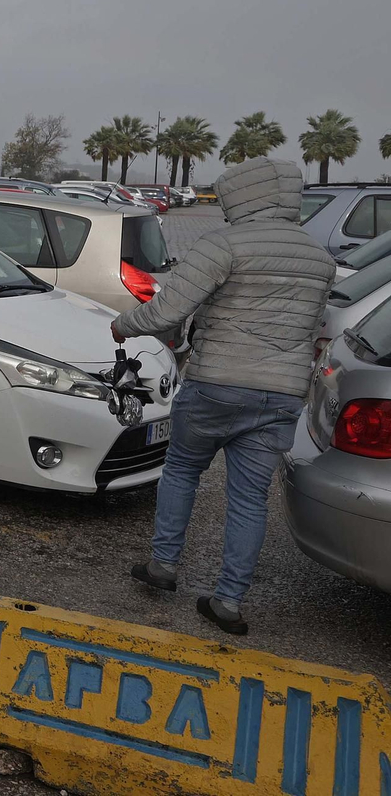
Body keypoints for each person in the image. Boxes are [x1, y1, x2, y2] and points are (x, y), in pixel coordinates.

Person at [110, 157, 334, 635]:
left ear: (242, 196)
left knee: (183, 468)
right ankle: (228, 602)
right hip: (280, 395)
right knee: (250, 499)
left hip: (216, 383)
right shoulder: (319, 258)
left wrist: (121, 326)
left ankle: (164, 567)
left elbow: (166, 311)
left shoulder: (223, 245)